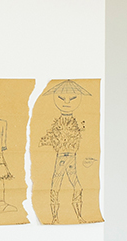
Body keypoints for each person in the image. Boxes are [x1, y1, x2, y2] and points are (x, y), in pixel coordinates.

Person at [38, 80, 90, 223]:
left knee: (76, 186)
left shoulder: (76, 123)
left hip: (71, 156)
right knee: (56, 185)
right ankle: (55, 217)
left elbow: (78, 138)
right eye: (61, 98)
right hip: (61, 156)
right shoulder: (57, 124)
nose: (67, 102)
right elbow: (51, 138)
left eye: (72, 98)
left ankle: (78, 216)